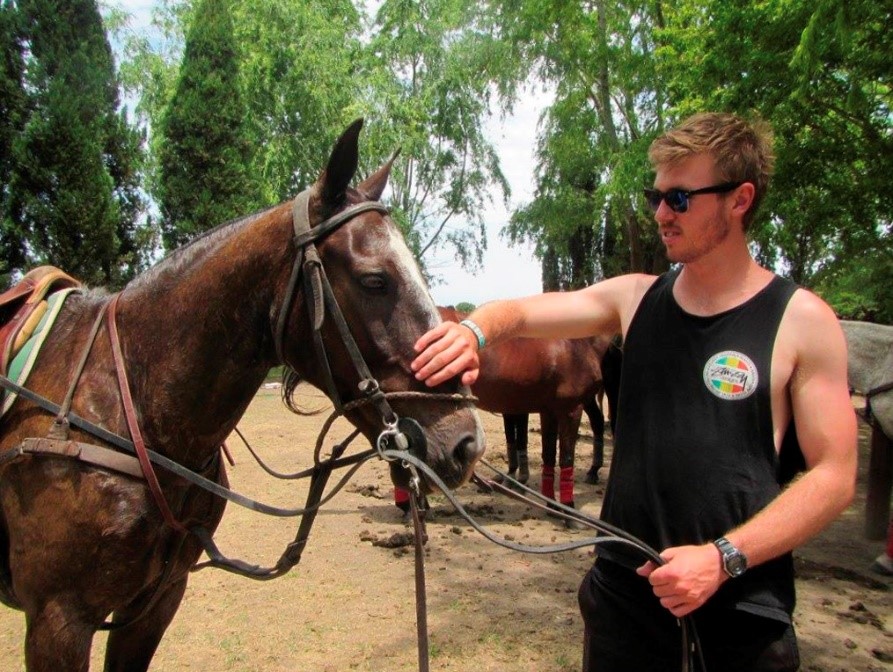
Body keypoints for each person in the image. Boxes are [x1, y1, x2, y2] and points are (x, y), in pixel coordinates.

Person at [410, 112, 857, 671]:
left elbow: (834, 476)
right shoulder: (636, 299)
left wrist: (722, 560)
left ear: (740, 200)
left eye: (679, 197)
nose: (660, 214)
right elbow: (523, 312)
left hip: (740, 613)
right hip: (623, 603)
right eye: (656, 195)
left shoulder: (802, 322)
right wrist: (474, 331)